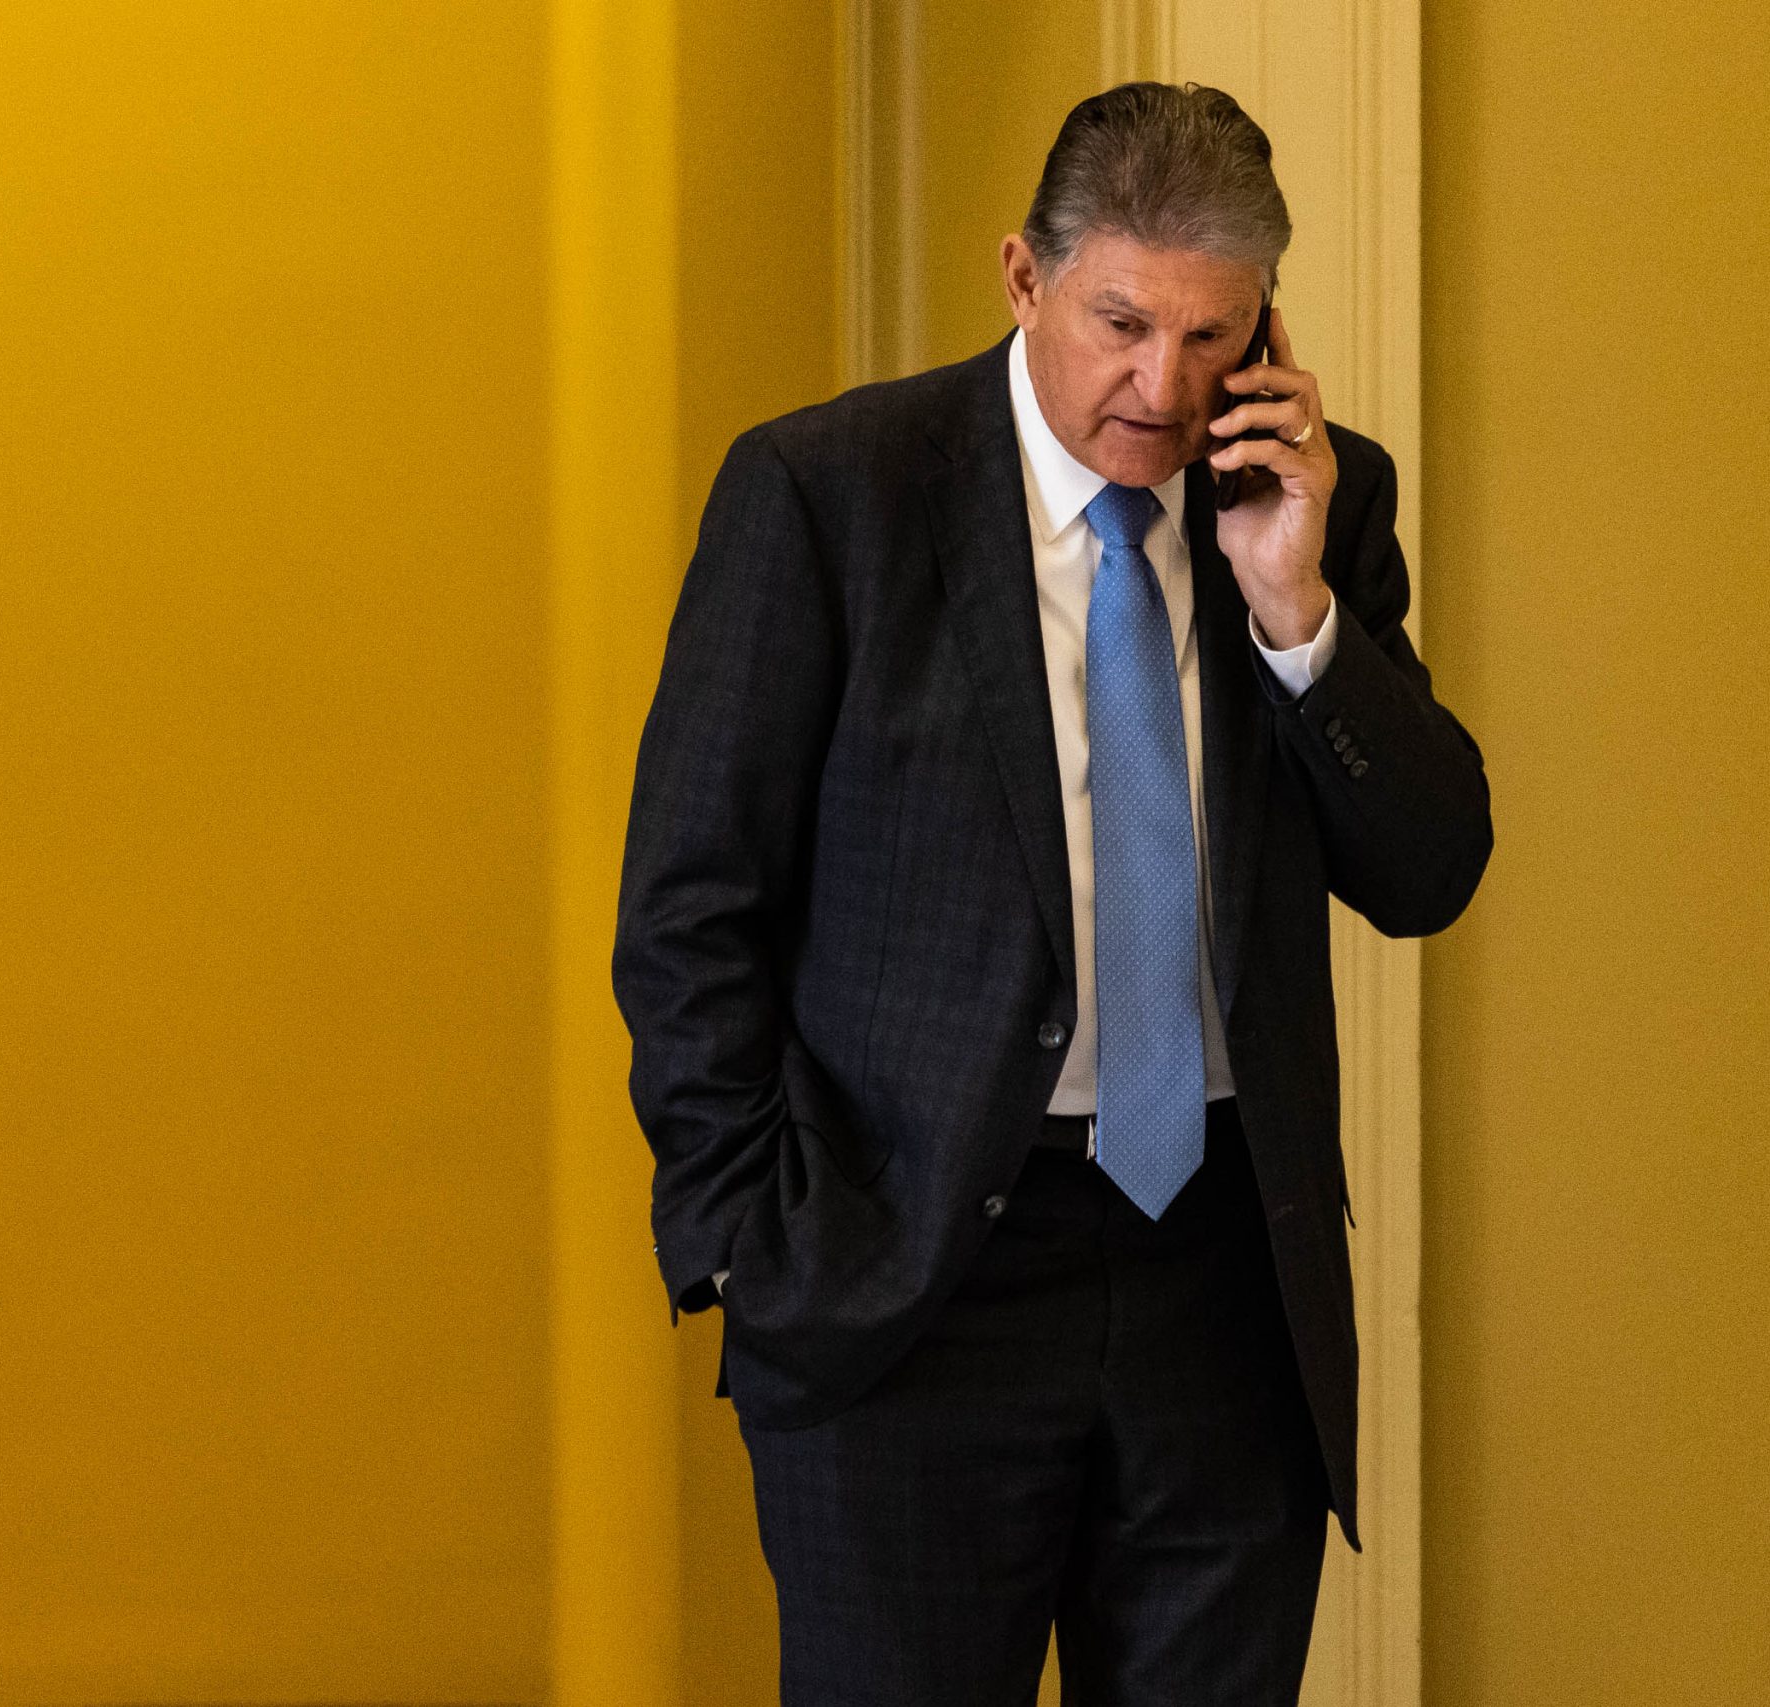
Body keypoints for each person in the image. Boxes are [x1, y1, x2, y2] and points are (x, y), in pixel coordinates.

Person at [613, 81, 1489, 1704]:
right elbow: (689, 909)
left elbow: (1428, 871)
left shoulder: (1317, 501)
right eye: (1122, 324)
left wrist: (1295, 613)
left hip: (1222, 1281)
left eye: (1214, 337)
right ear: (1026, 278)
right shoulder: (831, 494)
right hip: (908, 1277)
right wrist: (748, 1240)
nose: (1162, 388)